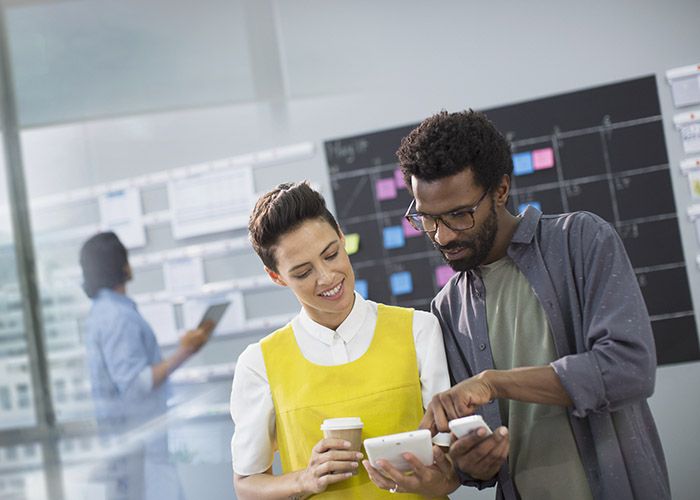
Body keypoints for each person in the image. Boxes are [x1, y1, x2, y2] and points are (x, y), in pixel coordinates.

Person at [392, 110, 671, 500]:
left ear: (501, 190)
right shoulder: (447, 309)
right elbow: (478, 466)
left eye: (459, 215)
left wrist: (494, 383)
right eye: (427, 219)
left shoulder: (581, 240)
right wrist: (470, 464)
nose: (442, 236)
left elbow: (629, 369)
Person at [230, 182, 458, 499]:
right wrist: (304, 480)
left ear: (340, 235)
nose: (326, 277)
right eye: (302, 272)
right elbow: (247, 484)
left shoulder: (419, 330)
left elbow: (451, 464)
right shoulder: (260, 364)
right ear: (276, 276)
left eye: (331, 254)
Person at [79, 231, 214, 500]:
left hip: (130, 448)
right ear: (121, 265)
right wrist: (186, 351)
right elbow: (135, 384)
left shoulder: (102, 312)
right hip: (141, 448)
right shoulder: (118, 317)